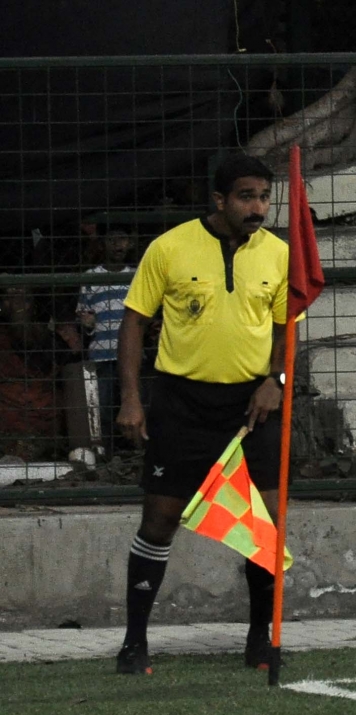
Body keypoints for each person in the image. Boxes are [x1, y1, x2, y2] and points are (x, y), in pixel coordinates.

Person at [114, 154, 290, 675]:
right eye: (246, 197)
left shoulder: (279, 254)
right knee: (160, 520)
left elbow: (288, 330)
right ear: (219, 200)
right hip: (182, 405)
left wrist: (274, 381)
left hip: (252, 407)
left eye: (263, 196)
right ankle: (134, 643)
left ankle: (260, 641)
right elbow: (133, 322)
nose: (257, 207)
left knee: (267, 524)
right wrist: (130, 398)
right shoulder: (169, 247)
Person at [76, 227, 137, 454]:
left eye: (123, 238)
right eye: (112, 240)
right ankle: (108, 454)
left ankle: (131, 453)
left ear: (130, 243)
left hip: (130, 354)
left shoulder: (136, 275)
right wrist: (87, 325)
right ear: (103, 244)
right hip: (101, 353)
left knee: (130, 403)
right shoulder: (91, 277)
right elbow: (84, 314)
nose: (118, 245)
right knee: (103, 408)